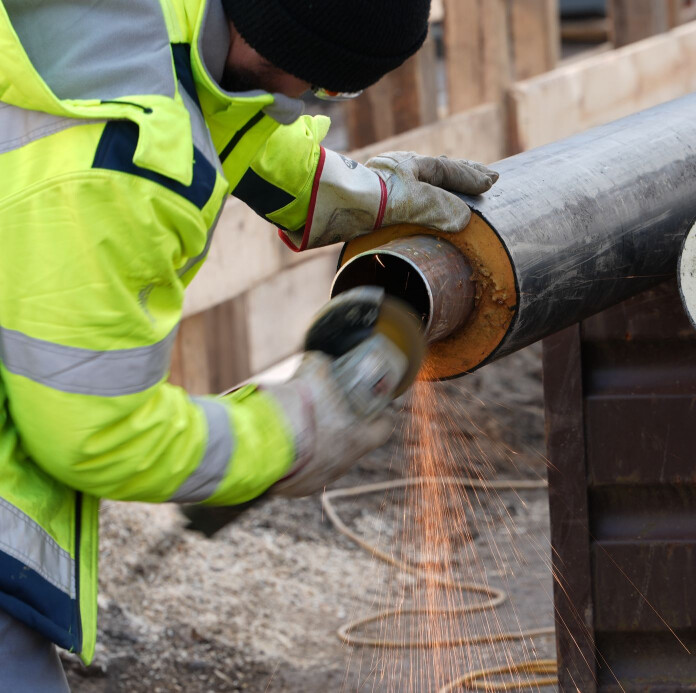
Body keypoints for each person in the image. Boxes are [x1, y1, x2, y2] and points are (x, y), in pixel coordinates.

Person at [0, 0, 499, 688]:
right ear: (304, 69)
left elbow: (210, 98)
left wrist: (355, 189)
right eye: (330, 89)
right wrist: (290, 426)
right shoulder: (122, 175)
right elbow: (97, 433)